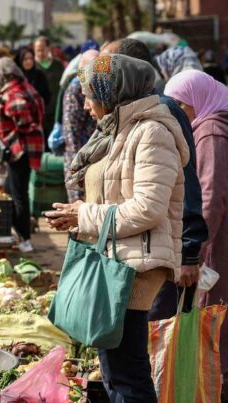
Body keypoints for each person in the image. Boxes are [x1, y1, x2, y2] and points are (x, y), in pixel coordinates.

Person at [47, 54, 189, 401]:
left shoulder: (152, 131)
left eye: (89, 93)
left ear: (111, 92)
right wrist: (78, 213)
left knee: (126, 375)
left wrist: (86, 215)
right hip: (119, 258)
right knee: (115, 372)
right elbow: (115, 193)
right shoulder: (120, 129)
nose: (84, 102)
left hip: (134, 268)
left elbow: (148, 209)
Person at [104, 38, 208, 321]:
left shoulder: (161, 113)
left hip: (160, 252)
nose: (103, 77)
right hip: (138, 251)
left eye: (108, 68)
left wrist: (188, 253)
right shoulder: (132, 112)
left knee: (153, 340)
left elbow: (186, 184)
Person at [164, 70, 228, 379]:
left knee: (213, 312)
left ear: (196, 100)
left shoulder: (211, 131)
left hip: (216, 242)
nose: (177, 112)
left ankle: (214, 382)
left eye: (180, 104)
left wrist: (194, 253)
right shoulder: (207, 124)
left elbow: (211, 197)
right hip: (215, 237)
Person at [0, 58, 45, 253]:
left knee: (18, 194)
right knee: (11, 190)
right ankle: (17, 234)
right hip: (29, 148)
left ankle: (24, 239)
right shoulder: (27, 87)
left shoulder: (13, 92)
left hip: (19, 151)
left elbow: (22, 117)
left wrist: (9, 138)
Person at [62, 50, 99, 202]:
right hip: (80, 155)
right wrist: (78, 165)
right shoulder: (76, 88)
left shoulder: (98, 85)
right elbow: (71, 131)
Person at [34, 36, 65, 135]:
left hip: (55, 110)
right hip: (37, 111)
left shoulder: (58, 66)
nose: (40, 53)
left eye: (42, 50)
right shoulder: (32, 67)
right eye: (37, 50)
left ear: (48, 48)